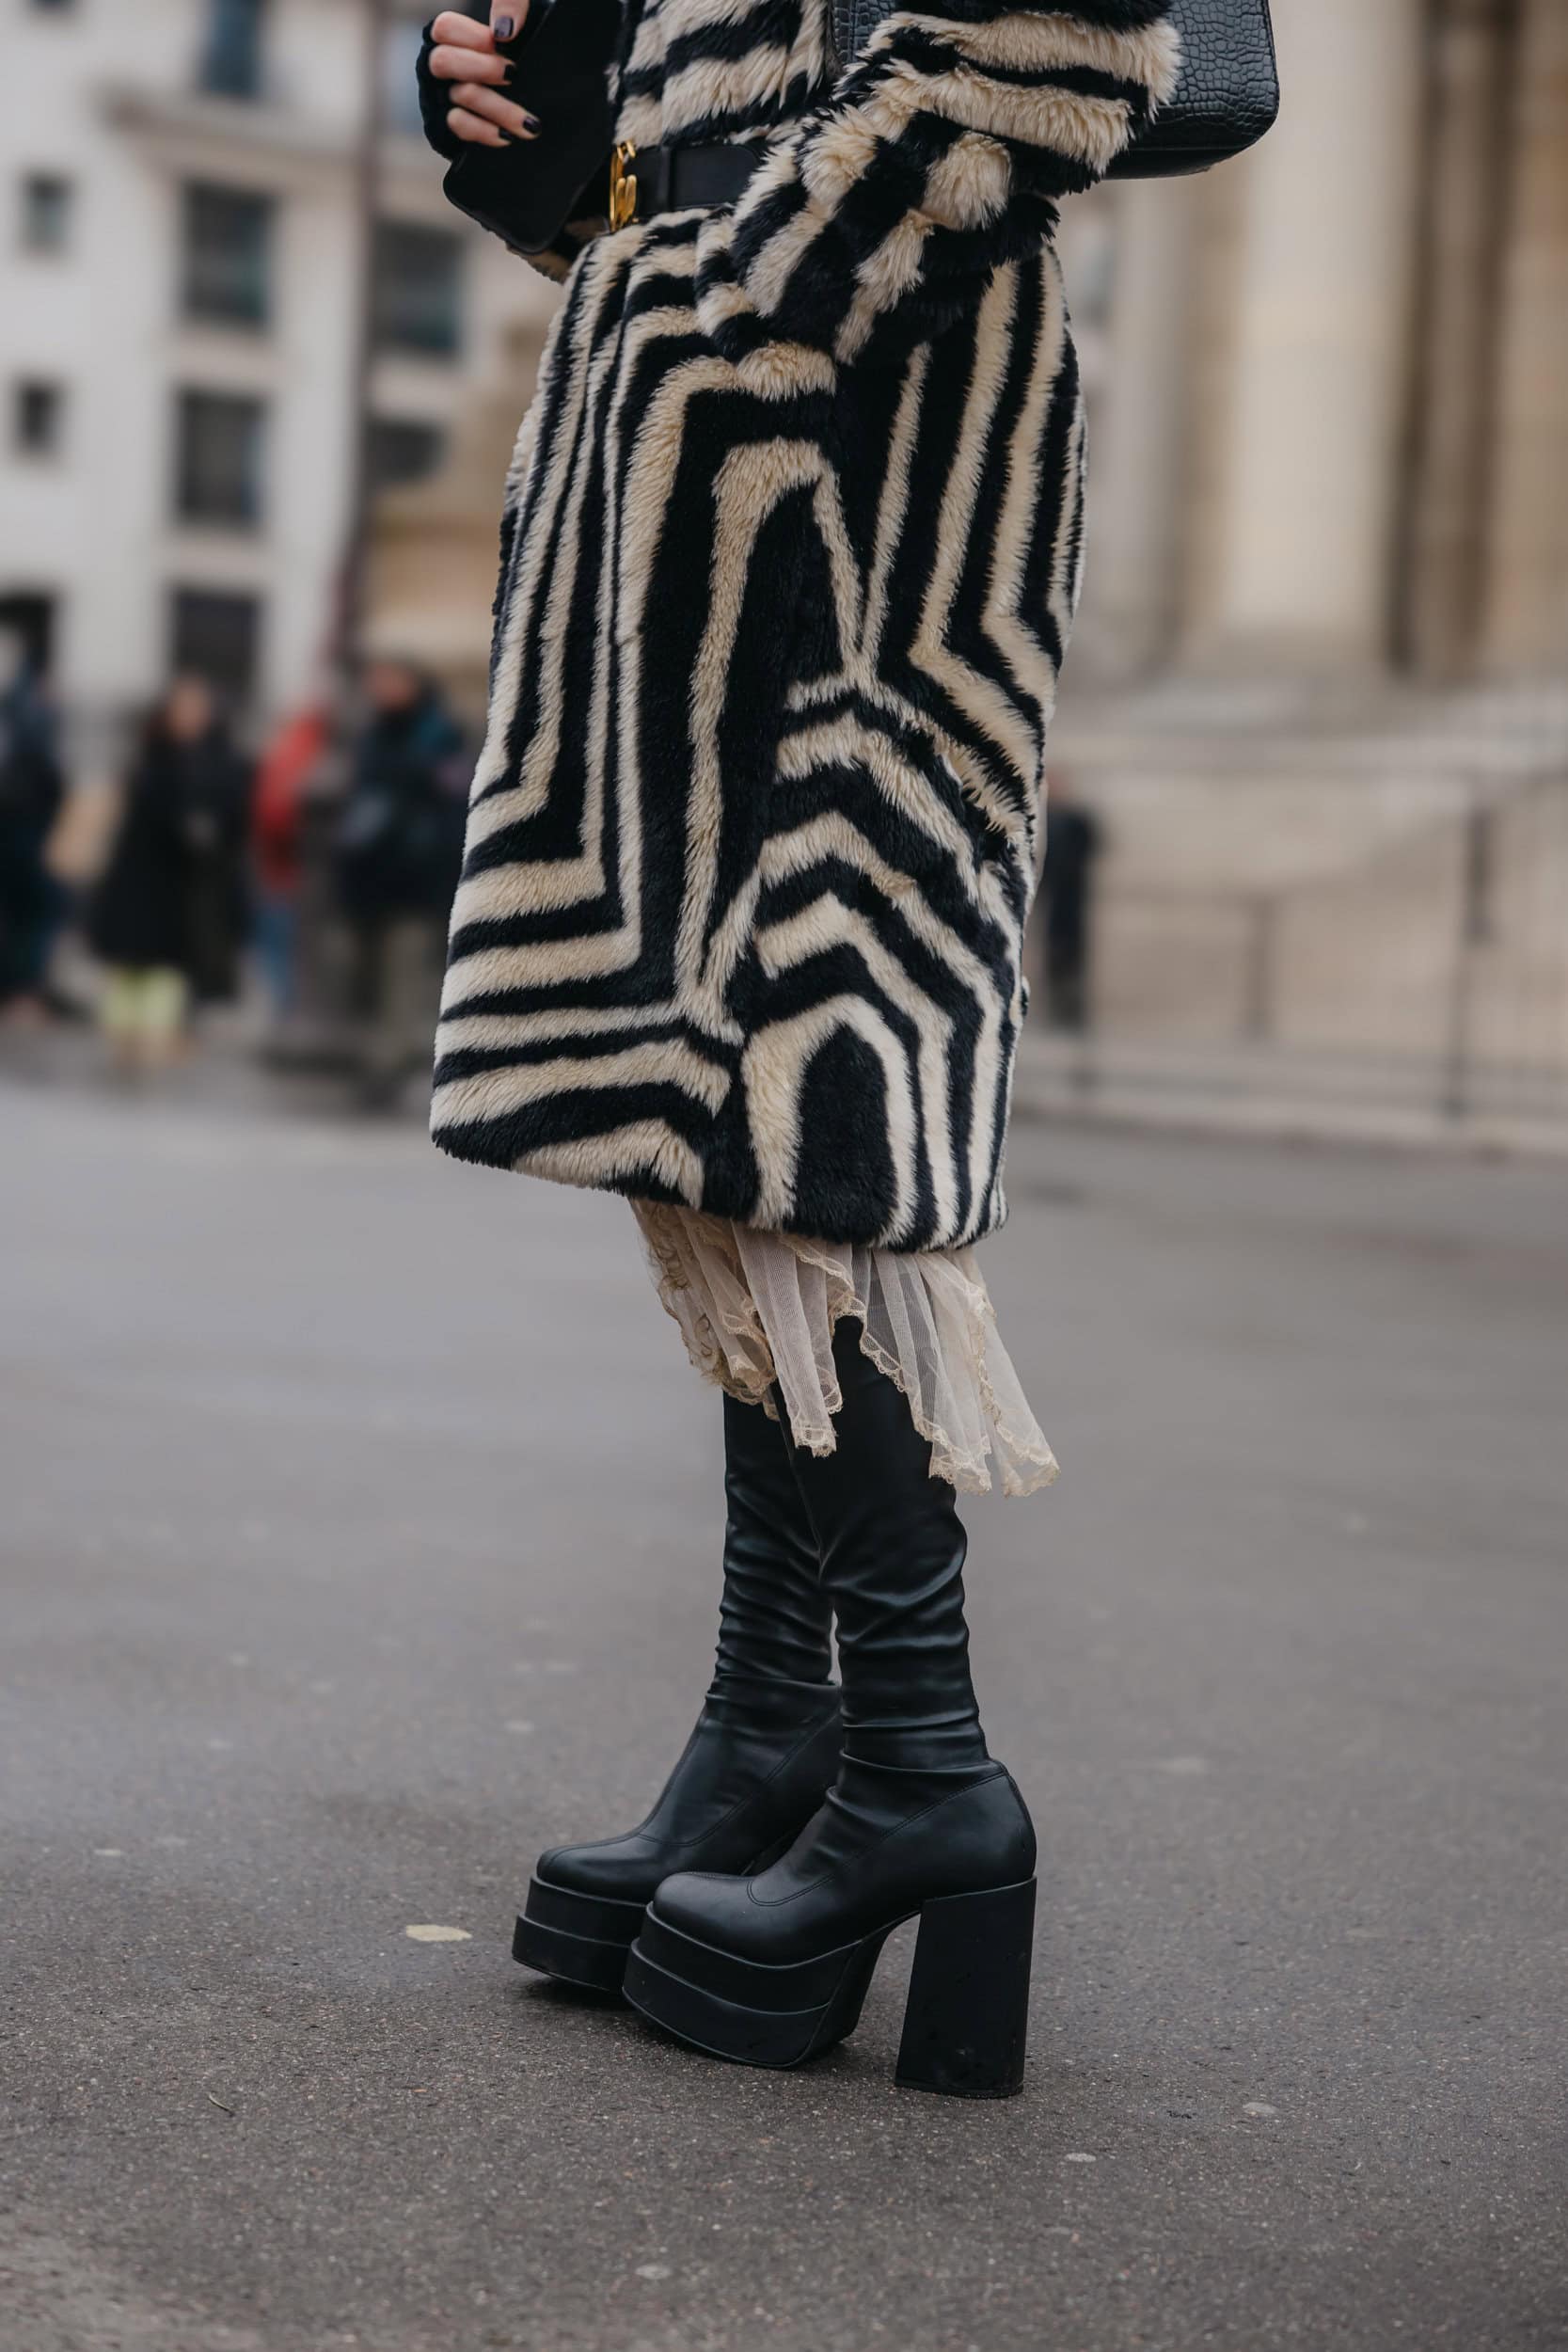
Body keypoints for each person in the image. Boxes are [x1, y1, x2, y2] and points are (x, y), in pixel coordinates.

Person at [419, 0, 1179, 2094]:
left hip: (859, 412)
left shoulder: (769, 319)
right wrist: (530, 136)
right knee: (706, 1105)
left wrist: (754, 293)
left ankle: (921, 1759)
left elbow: (1054, 36)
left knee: (818, 1075)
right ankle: (774, 1723)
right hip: (699, 401)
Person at [88, 678, 251, 1073]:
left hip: (192, 884)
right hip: (142, 878)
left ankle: (162, 1036)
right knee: (132, 963)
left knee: (174, 967)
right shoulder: (151, 757)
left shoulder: (222, 761)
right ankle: (125, 1038)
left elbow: (232, 819)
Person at [333, 660, 467, 1109]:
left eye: (390, 682)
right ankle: (385, 1056)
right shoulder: (372, 734)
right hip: (369, 883)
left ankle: (386, 1067)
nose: (380, 689)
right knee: (369, 978)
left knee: (402, 977)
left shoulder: (439, 737)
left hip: (414, 884)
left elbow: (450, 808)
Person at [251, 700, 329, 1029]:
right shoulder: (307, 750)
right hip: (293, 867)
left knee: (283, 945)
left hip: (286, 867)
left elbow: (273, 814)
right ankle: (290, 1011)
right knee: (290, 945)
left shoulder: (292, 751)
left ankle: (286, 1011)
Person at [0, 634, 66, 1025]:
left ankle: (19, 987)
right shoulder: (31, 718)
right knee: (30, 914)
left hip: (24, 828)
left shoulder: (20, 713)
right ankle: (21, 988)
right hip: (24, 830)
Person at [1041, 771, 1103, 1032]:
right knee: (1054, 951)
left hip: (1073, 897)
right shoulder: (1045, 820)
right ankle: (1058, 1004)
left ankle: (1072, 1006)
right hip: (1054, 899)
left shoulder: (1075, 819)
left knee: (1072, 952)